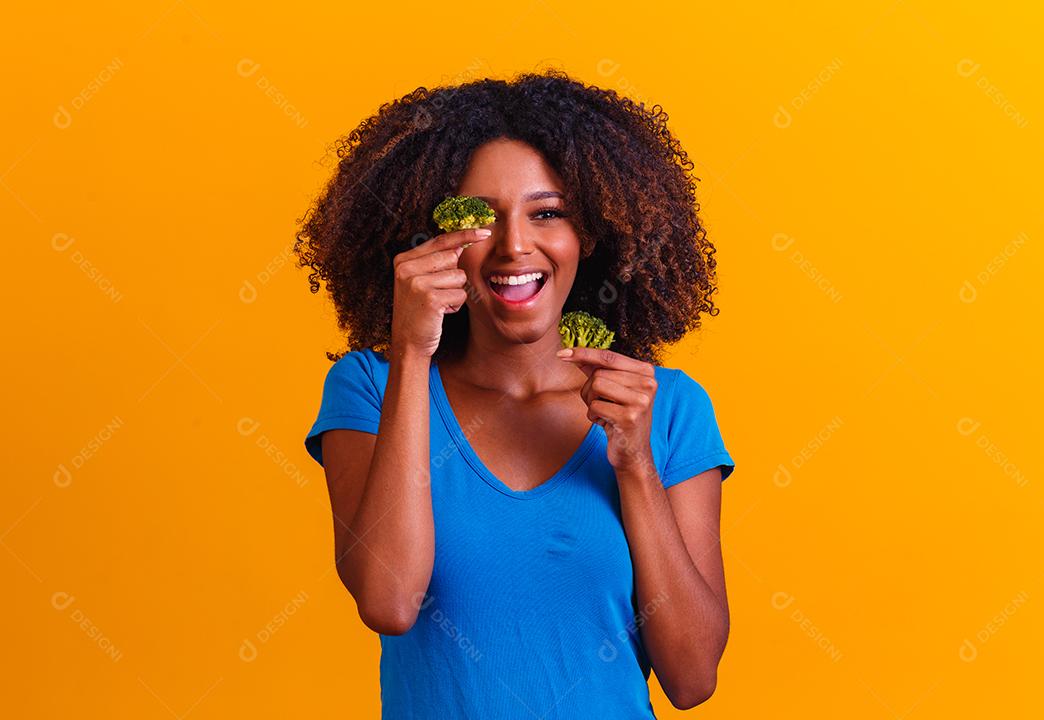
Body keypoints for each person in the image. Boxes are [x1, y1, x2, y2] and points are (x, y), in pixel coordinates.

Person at [296, 69, 736, 718]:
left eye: (547, 213)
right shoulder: (371, 388)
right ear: (436, 240)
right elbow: (388, 602)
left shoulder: (665, 408)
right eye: (480, 218)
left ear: (586, 234)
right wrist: (412, 350)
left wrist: (635, 465)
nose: (514, 246)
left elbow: (692, 678)